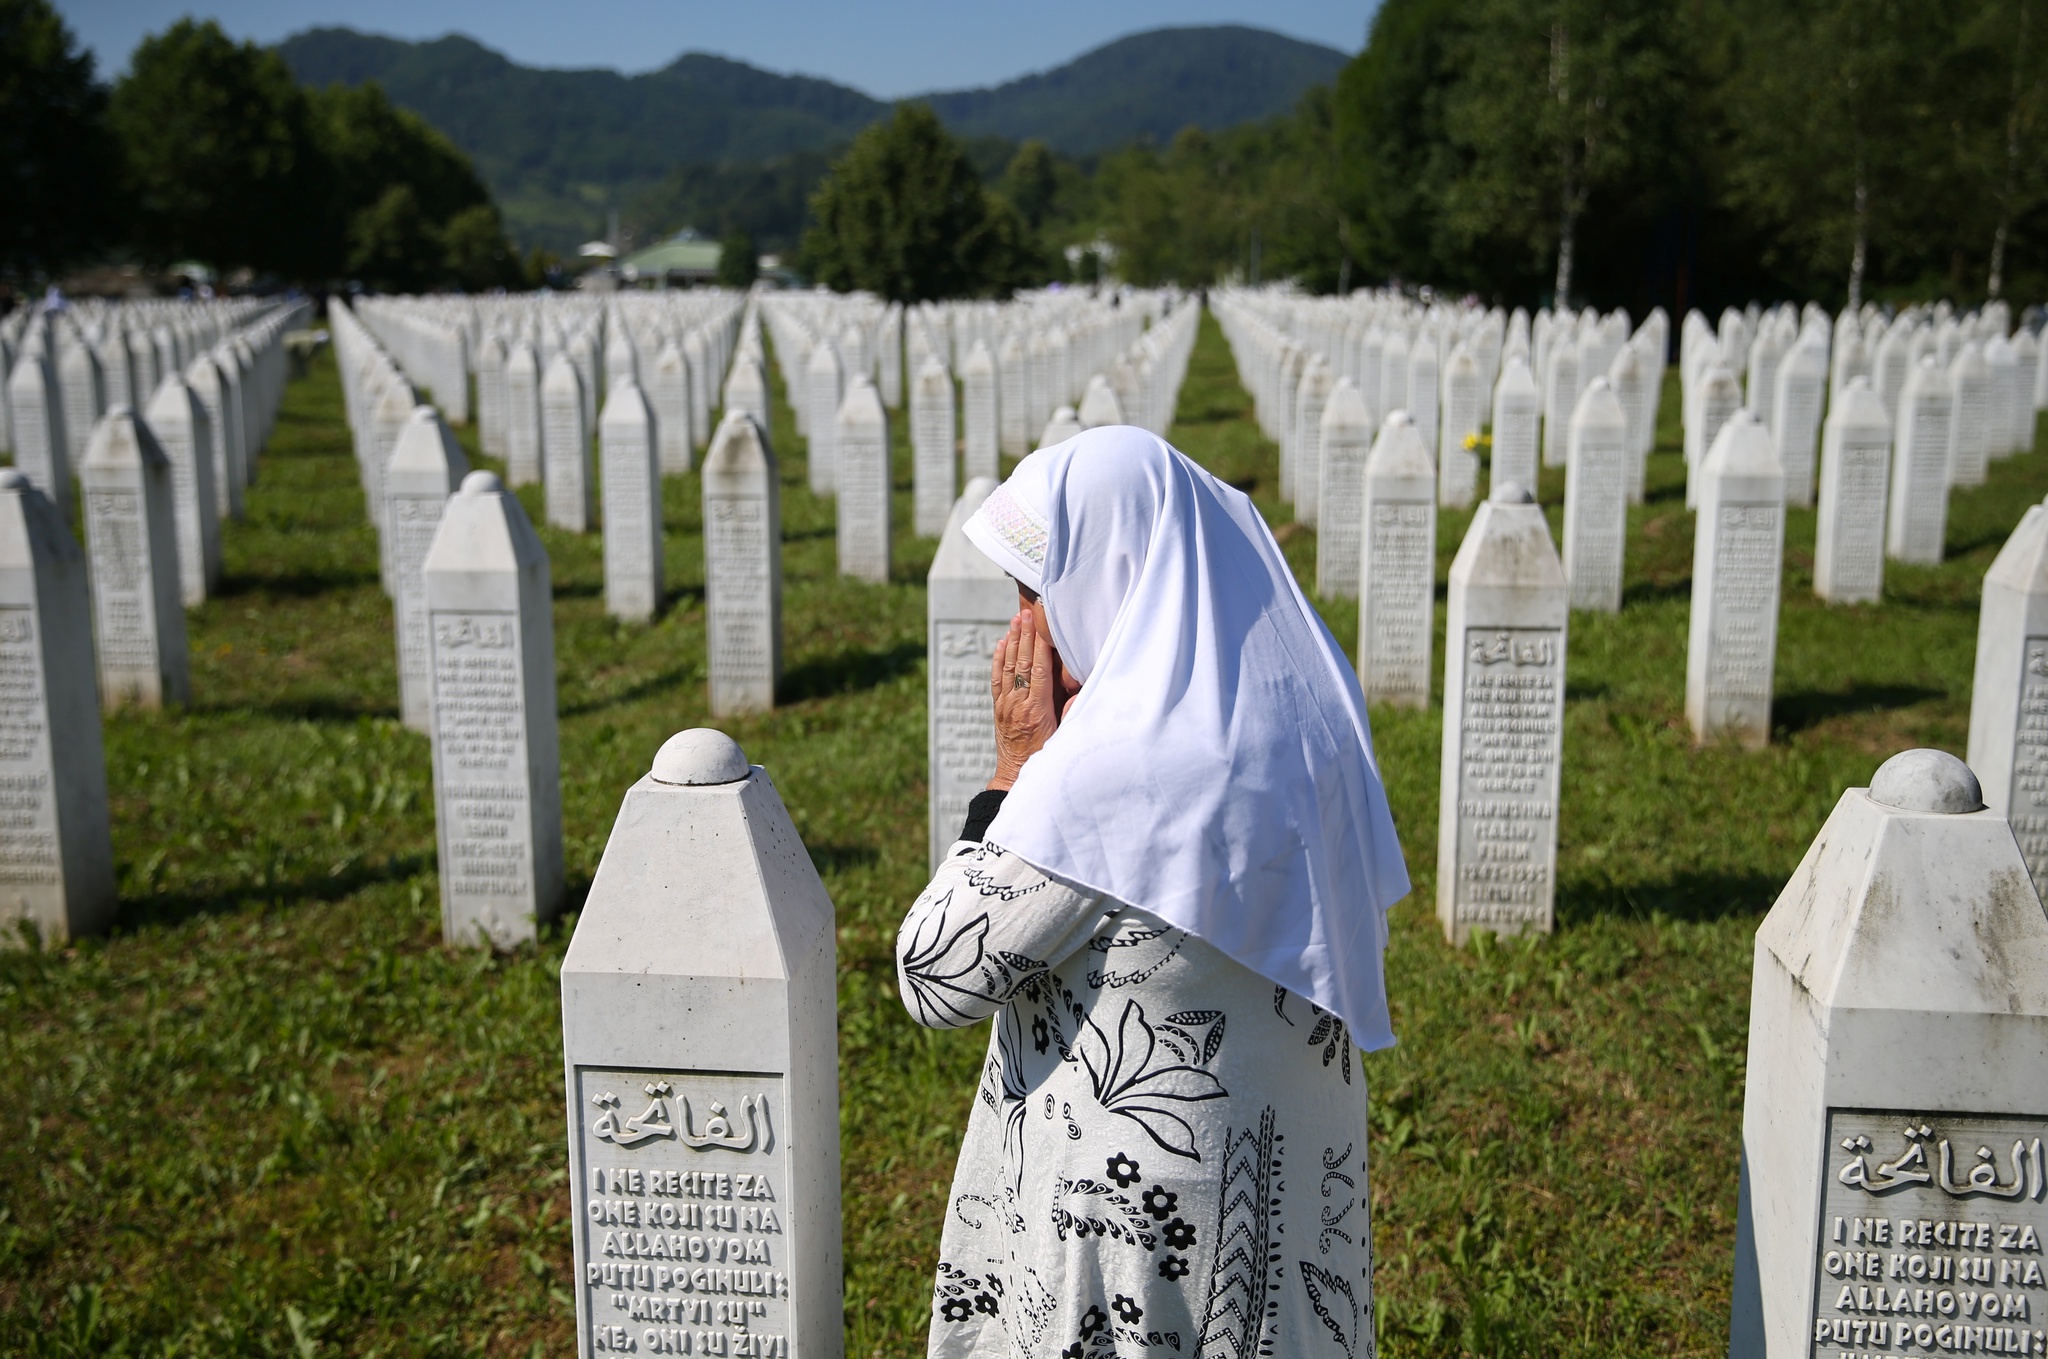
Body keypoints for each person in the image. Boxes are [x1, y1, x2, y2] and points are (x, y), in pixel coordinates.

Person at [895, 426, 1410, 1359]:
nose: (1023, 632)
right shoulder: (1309, 706)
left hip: (1132, 1226)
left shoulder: (1103, 772)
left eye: (1033, 595)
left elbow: (934, 972)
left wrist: (1012, 774)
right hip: (1284, 1194)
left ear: (1109, 572)